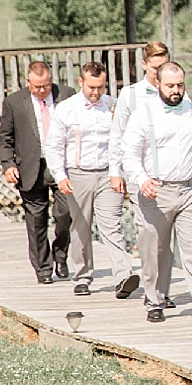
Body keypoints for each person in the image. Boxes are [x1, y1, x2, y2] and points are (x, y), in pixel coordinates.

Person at [120, 61, 192, 325]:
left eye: (180, 85)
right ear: (158, 84)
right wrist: (141, 179)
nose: (176, 90)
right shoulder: (144, 114)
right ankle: (155, 300)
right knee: (155, 249)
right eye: (170, 85)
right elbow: (130, 153)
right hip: (157, 191)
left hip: (190, 189)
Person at [44, 60, 138, 299]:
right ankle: (82, 276)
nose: (96, 92)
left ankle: (123, 275)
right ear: (81, 82)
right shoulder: (66, 109)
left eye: (101, 87)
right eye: (91, 88)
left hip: (109, 173)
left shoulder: (114, 106)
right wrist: (60, 175)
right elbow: (54, 146)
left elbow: (125, 141)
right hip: (78, 173)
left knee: (111, 225)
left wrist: (121, 172)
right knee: (81, 226)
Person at [0, 60, 71, 284]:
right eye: (37, 86)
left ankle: (61, 255)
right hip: (31, 167)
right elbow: (5, 138)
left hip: (61, 167)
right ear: (28, 82)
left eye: (46, 85)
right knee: (36, 221)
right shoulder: (14, 102)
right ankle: (43, 269)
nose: (41, 90)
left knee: (66, 214)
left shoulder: (66, 95)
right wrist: (8, 164)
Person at [108, 40, 171, 207]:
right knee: (147, 229)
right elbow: (117, 133)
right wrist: (115, 172)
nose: (159, 73)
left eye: (163, 67)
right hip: (141, 171)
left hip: (171, 174)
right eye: (155, 68)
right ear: (144, 65)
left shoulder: (178, 93)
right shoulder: (130, 95)